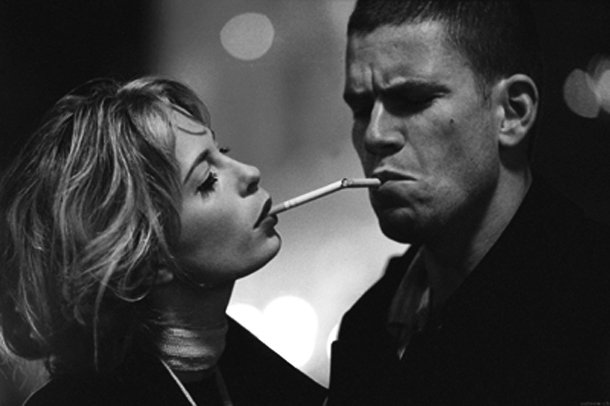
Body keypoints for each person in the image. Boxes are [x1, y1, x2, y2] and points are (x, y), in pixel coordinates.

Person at [327, 1, 610, 405]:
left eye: (413, 99)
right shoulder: (368, 326)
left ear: (512, 112)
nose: (374, 135)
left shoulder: (592, 307)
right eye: (360, 109)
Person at [0, 77, 326, 406]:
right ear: (146, 255)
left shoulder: (264, 381)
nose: (250, 172)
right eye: (208, 180)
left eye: (222, 151)